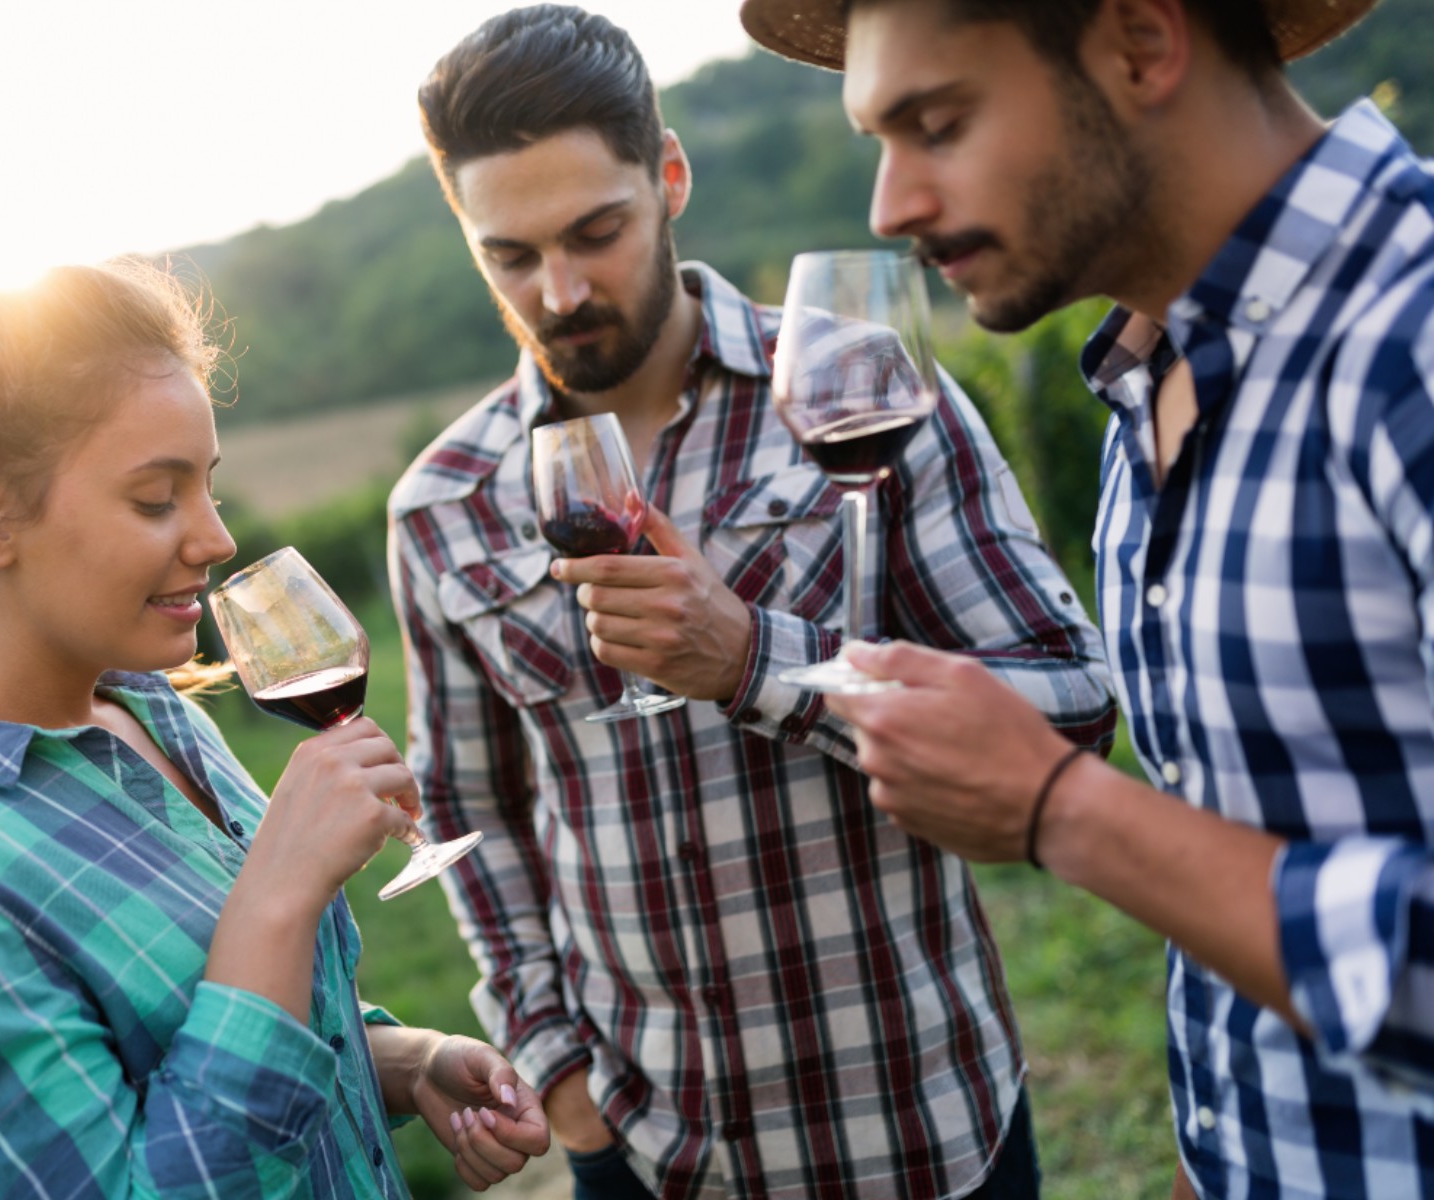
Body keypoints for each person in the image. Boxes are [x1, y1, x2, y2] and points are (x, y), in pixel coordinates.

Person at [388, 7, 1116, 1197]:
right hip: (645, 1154)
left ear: (669, 175)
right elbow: (469, 811)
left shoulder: (866, 389)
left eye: (596, 231)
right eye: (509, 256)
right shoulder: (443, 504)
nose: (560, 290)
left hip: (915, 1128)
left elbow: (1075, 706)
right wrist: (564, 1082)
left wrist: (754, 662)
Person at [738, 0, 1434, 1195]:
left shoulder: (1412, 338)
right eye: (879, 142)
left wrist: (1059, 807)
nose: (889, 207)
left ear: (1140, 43)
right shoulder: (1149, 376)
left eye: (938, 123)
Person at [0, 258, 550, 1198]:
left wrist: (404, 1059)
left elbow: (220, 1026)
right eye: (157, 498)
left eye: (207, 486)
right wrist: (279, 891)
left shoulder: (155, 715)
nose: (217, 538)